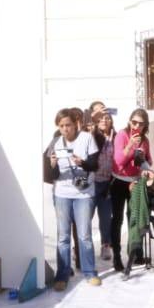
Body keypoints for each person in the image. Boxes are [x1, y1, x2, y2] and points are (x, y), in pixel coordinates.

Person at [46, 108, 101, 290]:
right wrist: (52, 164)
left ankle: (89, 272)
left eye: (68, 125)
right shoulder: (55, 142)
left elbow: (95, 165)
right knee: (63, 236)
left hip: (83, 193)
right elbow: (51, 175)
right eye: (61, 126)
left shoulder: (86, 138)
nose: (65, 129)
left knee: (84, 235)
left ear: (75, 124)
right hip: (62, 192)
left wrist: (82, 162)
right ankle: (62, 275)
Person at [110, 108, 152, 273]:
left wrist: (144, 163)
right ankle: (117, 256)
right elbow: (119, 160)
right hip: (119, 181)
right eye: (134, 122)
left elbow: (149, 160)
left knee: (134, 219)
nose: (136, 126)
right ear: (129, 122)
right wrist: (130, 146)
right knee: (117, 220)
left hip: (135, 182)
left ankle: (135, 253)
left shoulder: (145, 140)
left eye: (140, 124)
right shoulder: (122, 135)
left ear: (144, 125)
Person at [91, 111, 117, 262]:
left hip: (108, 182)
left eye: (107, 118)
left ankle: (105, 245)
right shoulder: (92, 135)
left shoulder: (116, 136)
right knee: (86, 217)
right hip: (92, 182)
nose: (104, 121)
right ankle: (80, 248)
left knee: (106, 217)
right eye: (101, 119)